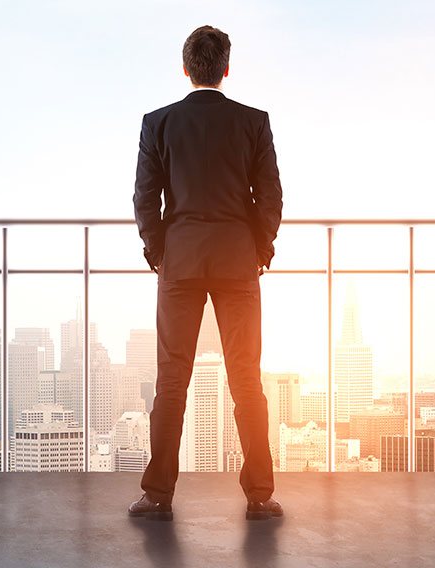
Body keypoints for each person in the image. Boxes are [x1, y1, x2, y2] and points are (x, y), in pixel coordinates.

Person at [128, 25, 284, 521]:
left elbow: (144, 198)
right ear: (226, 68)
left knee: (172, 379)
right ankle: (260, 493)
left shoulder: (159, 123)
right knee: (245, 378)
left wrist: (159, 251)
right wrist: (260, 248)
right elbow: (271, 197)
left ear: (186, 68)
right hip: (239, 262)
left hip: (181, 261)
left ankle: (158, 494)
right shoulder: (253, 122)